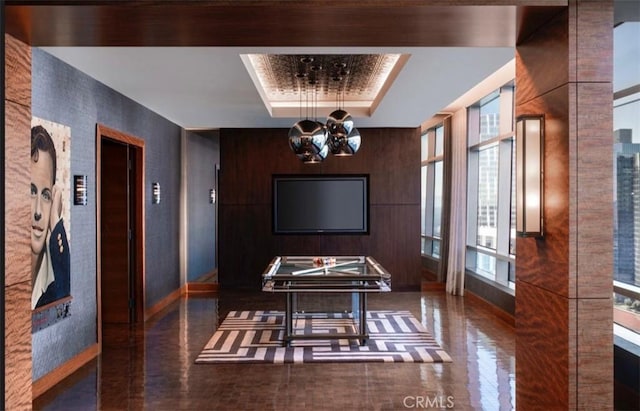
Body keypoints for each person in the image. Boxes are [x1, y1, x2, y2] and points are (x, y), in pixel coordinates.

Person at [31, 125, 70, 310]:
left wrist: (55, 221)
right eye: (31, 191)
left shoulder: (54, 276)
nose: (38, 211)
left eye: (46, 195)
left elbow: (63, 303)